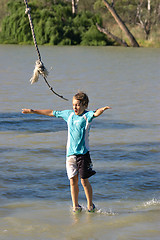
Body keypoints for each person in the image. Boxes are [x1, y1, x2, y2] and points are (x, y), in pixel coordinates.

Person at [22, 92, 111, 213]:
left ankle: (90, 206)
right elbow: (51, 112)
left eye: (78, 105)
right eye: (74, 104)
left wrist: (102, 109)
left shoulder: (87, 115)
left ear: (84, 105)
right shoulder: (68, 114)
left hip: (83, 154)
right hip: (70, 155)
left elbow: (96, 113)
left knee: (84, 181)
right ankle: (76, 206)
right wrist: (33, 111)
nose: (75, 107)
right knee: (72, 181)